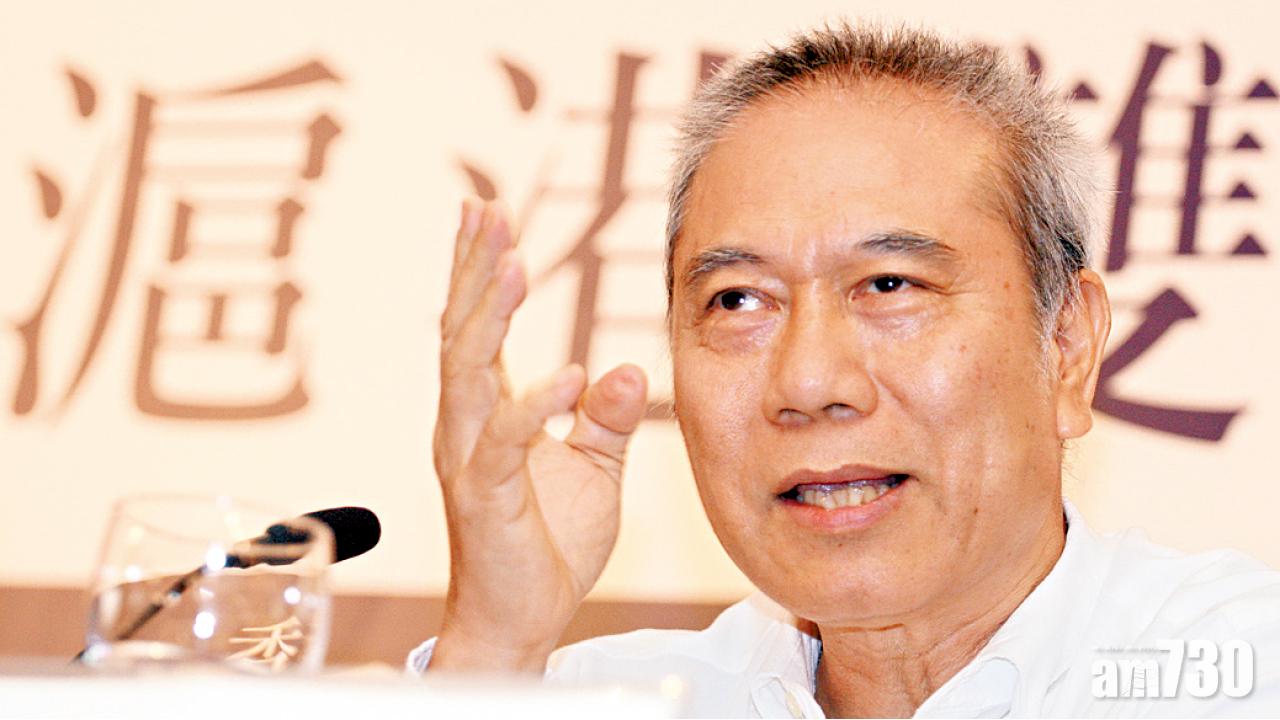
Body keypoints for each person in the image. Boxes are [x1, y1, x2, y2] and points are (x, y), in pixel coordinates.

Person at [410, 22, 1280, 718]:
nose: (808, 382)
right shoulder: (584, 699)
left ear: (1067, 345)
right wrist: (492, 644)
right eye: (738, 301)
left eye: (890, 285)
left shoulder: (1232, 666)